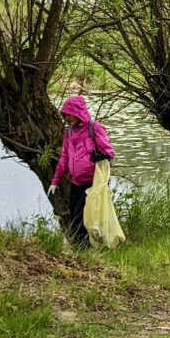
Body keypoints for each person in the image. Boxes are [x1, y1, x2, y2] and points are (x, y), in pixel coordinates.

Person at [48, 95, 115, 248]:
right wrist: (55, 181)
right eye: (65, 114)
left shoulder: (94, 128)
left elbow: (109, 152)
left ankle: (86, 248)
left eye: (70, 114)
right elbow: (64, 158)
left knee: (83, 216)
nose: (68, 118)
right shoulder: (69, 132)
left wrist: (102, 155)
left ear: (78, 112)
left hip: (93, 182)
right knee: (73, 215)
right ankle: (83, 248)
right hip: (76, 182)